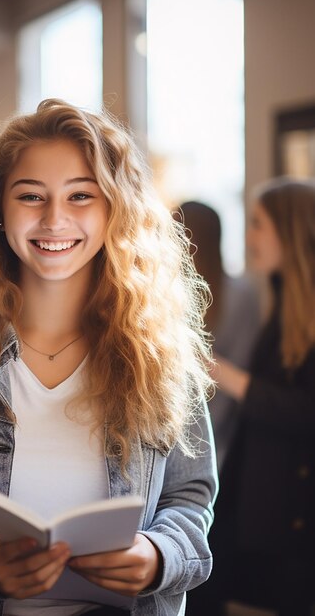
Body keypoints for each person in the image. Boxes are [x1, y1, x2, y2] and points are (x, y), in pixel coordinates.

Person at [0, 99, 217, 616]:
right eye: (31, 196)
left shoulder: (158, 349)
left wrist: (158, 555)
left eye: (81, 195)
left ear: (114, 208)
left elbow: (191, 498)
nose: (55, 219)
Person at [190, 178, 315, 616]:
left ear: (291, 231)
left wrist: (217, 371)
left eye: (259, 224)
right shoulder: (283, 302)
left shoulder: (260, 300)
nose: (250, 237)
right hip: (261, 496)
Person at [176, 201, 261, 469]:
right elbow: (244, 361)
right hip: (220, 433)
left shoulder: (167, 291)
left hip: (188, 430)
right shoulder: (242, 293)